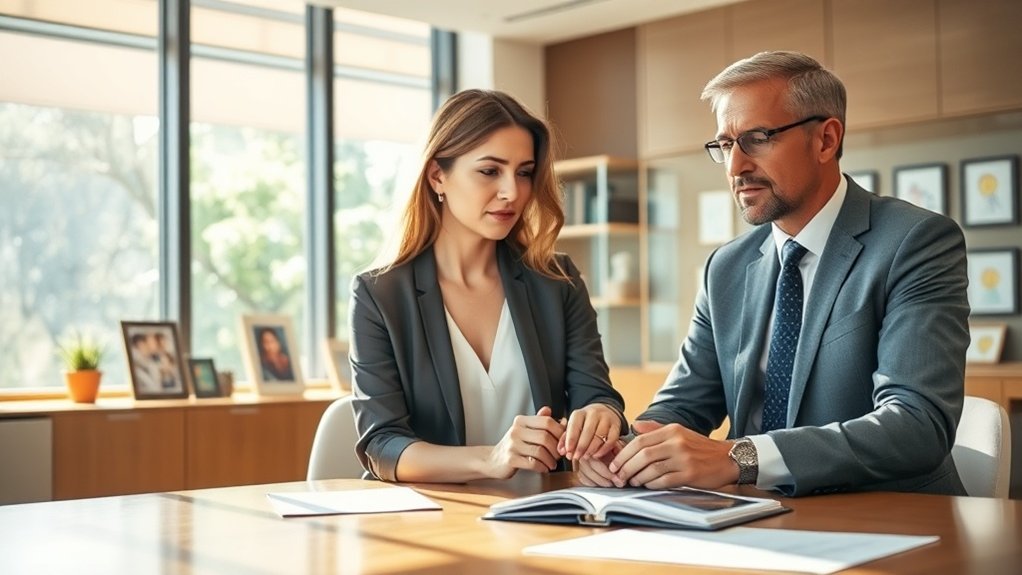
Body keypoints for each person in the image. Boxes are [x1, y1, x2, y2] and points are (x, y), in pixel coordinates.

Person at [577, 51, 970, 496]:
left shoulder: (915, 241)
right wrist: (628, 450)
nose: (735, 167)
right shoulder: (725, 267)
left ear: (825, 140)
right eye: (725, 144)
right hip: (752, 518)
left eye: (758, 138)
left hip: (893, 522)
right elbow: (685, 403)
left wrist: (739, 457)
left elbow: (917, 426)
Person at [349, 88, 627, 483]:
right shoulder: (380, 294)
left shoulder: (557, 280)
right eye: (489, 171)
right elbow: (382, 445)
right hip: (434, 520)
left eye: (524, 173)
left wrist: (602, 417)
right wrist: (490, 459)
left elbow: (596, 393)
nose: (512, 192)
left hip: (546, 512)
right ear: (437, 176)